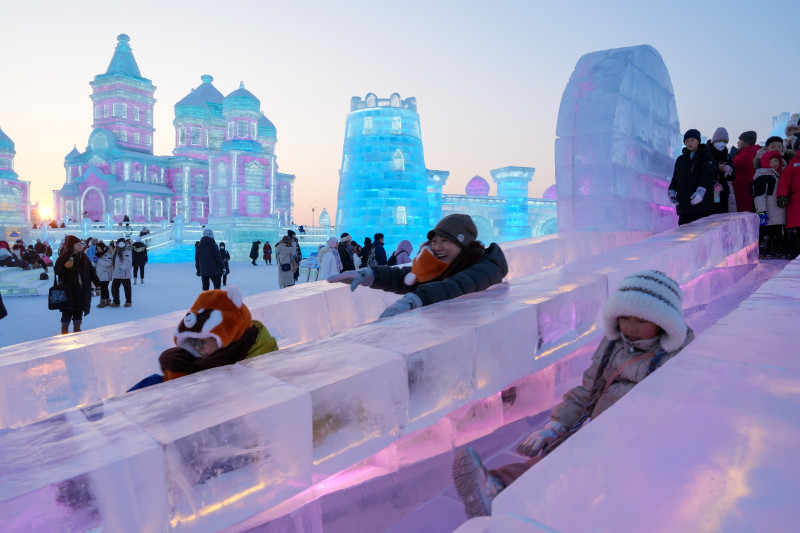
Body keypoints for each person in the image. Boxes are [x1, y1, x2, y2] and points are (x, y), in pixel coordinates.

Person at [451, 270, 694, 518]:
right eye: (625, 318)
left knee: (569, 468)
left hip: (632, 441)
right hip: (599, 430)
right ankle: (496, 487)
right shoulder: (613, 345)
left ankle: (506, 495)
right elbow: (587, 391)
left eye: (642, 320)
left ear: (663, 322)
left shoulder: (673, 359)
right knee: (553, 458)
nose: (630, 327)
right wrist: (556, 426)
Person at [329, 214, 508, 318]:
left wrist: (414, 300)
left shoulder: (487, 266)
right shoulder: (447, 265)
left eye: (444, 241)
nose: (437, 247)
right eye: (434, 241)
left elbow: (457, 285)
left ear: (463, 243)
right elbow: (411, 276)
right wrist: (371, 275)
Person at [127, 286, 279, 390]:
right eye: (194, 342)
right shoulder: (204, 362)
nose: (197, 348)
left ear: (229, 336)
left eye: (202, 341)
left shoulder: (258, 363)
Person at [53, 235, 100, 334]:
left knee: (79, 310)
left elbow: (91, 271)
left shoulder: (83, 256)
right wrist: (65, 267)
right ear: (72, 246)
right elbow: (57, 272)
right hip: (68, 290)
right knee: (67, 310)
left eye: (80, 244)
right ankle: (64, 330)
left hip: (81, 289)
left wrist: (97, 282)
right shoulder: (64, 257)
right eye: (77, 244)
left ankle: (77, 330)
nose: (80, 246)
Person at [668, 129, 716, 225]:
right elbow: (675, 177)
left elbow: (707, 175)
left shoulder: (706, 157)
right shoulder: (680, 160)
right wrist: (672, 190)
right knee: (683, 236)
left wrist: (701, 191)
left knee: (700, 236)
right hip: (684, 207)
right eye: (687, 140)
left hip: (702, 207)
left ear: (698, 140)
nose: (689, 143)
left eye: (692, 139)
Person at [752, 151, 787, 258]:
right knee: (767, 233)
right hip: (769, 212)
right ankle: (764, 251)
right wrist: (761, 211)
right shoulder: (763, 176)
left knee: (777, 233)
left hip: (778, 213)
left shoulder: (777, 175)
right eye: (771, 162)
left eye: (776, 160)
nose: (774, 163)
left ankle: (775, 251)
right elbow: (759, 196)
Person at [705, 127, 737, 214]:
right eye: (720, 141)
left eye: (725, 142)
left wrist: (729, 171)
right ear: (714, 140)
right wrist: (718, 169)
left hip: (722, 193)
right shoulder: (705, 153)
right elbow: (704, 171)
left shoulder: (727, 156)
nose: (722, 144)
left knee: (722, 217)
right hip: (708, 193)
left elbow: (733, 175)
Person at [778, 143, 800, 259]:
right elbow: (784, 180)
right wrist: (782, 195)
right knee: (794, 230)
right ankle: (793, 253)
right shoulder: (793, 163)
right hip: (795, 200)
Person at [732, 130, 760, 213]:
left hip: (742, 191)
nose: (737, 142)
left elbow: (730, 167)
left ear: (746, 142)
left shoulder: (745, 155)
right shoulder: (753, 152)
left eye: (740, 140)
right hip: (748, 189)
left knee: (743, 216)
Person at [109, 238, 133, 307]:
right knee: (114, 288)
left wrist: (121, 269)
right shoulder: (117, 251)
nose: (116, 244)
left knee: (127, 288)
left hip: (125, 273)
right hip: (117, 273)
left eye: (118, 243)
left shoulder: (126, 251)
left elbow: (127, 262)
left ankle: (128, 301)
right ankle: (116, 302)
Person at [94, 241, 113, 307]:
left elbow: (108, 264)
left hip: (106, 274)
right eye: (97, 248)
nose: (98, 250)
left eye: (100, 248)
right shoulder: (98, 254)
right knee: (105, 287)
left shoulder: (108, 254)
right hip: (100, 274)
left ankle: (102, 301)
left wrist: (98, 260)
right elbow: (96, 265)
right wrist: (94, 261)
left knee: (103, 287)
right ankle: (107, 300)